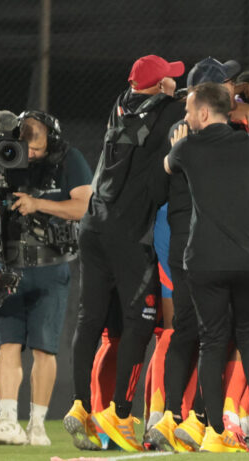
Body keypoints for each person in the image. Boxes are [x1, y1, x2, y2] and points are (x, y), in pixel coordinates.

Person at [64, 54, 186, 452]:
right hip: (127, 233)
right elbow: (201, 103)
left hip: (92, 226)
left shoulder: (120, 103)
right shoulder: (170, 111)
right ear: (155, 86)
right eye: (167, 78)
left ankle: (80, 405)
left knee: (90, 320)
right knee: (141, 319)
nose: (172, 82)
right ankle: (119, 413)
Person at [163, 82, 249, 452]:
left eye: (188, 110)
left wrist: (179, 145)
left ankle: (215, 432)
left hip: (206, 260)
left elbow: (168, 166)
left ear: (204, 113)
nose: (185, 117)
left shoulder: (187, 147)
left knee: (212, 341)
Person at [0, 111, 92, 446]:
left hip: (50, 264)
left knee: (44, 348)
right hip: (7, 263)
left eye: (36, 148)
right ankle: (7, 420)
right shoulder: (5, 154)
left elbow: (84, 206)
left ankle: (37, 426)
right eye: (26, 147)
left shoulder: (69, 159)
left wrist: (36, 203)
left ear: (50, 140)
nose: (31, 154)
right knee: (7, 342)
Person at [148, 56, 242, 452]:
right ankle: (200, 419)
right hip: (205, 240)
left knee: (184, 328)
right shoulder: (221, 134)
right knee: (217, 332)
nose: (232, 88)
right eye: (226, 83)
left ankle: (169, 416)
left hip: (177, 236)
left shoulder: (180, 132)